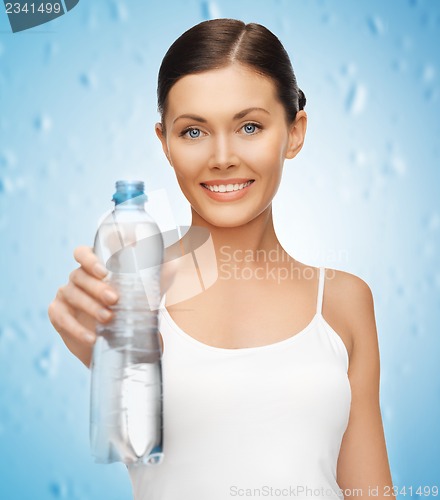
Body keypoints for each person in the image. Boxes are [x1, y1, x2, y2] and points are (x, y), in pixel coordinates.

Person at [48, 18, 394, 500]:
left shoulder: (343, 301)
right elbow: (128, 442)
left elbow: (371, 493)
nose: (223, 156)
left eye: (249, 126)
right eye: (193, 132)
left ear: (295, 132)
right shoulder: (130, 293)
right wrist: (107, 361)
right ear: (164, 141)